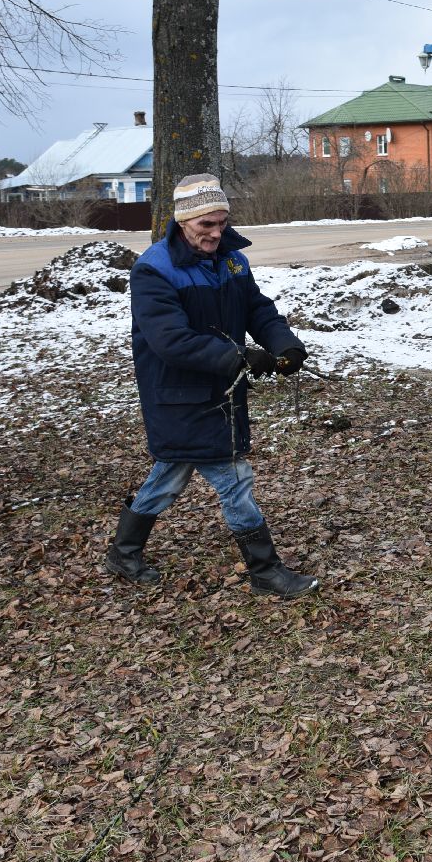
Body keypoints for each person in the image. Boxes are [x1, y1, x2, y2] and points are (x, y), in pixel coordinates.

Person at [105, 173, 319, 598]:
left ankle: (123, 551)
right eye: (207, 225)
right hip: (178, 394)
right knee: (234, 478)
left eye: (222, 222)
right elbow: (170, 340)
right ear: (183, 221)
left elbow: (257, 308)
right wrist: (237, 357)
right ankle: (264, 569)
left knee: (170, 474)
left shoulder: (233, 261)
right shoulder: (154, 270)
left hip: (222, 392)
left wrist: (284, 345)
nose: (217, 233)